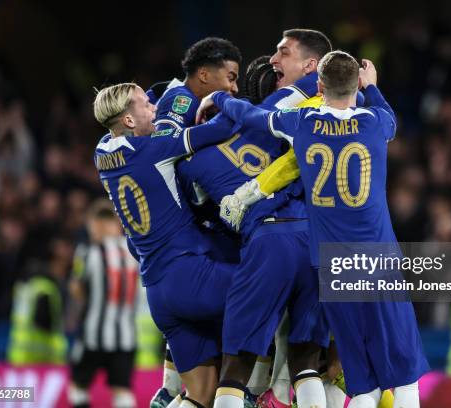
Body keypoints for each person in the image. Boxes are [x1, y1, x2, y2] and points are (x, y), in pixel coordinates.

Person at [198, 51, 430, 408]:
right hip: (376, 258)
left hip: (331, 265)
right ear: (357, 86)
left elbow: (254, 117)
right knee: (405, 376)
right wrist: (373, 87)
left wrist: (221, 99)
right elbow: (391, 120)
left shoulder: (301, 123)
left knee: (362, 380)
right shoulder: (374, 121)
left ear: (319, 86)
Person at [176, 46, 331, 408]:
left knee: (235, 364)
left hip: (266, 240)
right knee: (308, 361)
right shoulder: (280, 124)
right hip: (318, 238)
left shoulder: (191, 162)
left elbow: (204, 217)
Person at [92, 82, 240, 408]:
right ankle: (268, 389)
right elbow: (224, 126)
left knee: (200, 395)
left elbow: (141, 123)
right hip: (190, 274)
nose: (154, 109)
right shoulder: (155, 149)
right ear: (128, 121)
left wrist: (161, 101)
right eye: (146, 105)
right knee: (277, 290)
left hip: (159, 292)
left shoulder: (102, 151)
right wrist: (217, 99)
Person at [67, 199, 140, 408]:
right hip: (126, 336)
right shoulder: (134, 251)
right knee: (122, 391)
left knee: (78, 386)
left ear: (95, 224)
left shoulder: (87, 252)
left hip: (92, 335)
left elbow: (76, 288)